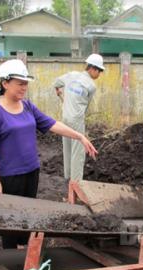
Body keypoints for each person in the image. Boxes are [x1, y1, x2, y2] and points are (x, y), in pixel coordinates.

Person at [0, 59, 97, 248]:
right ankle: (11, 261)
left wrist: (79, 136)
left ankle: (25, 254)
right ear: (5, 83)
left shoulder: (27, 106)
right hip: (10, 177)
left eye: (26, 83)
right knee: (10, 220)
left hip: (31, 172)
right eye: (20, 84)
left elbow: (52, 124)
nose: (24, 87)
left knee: (27, 215)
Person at [53, 54, 104, 187]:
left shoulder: (71, 75)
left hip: (65, 119)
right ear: (93, 68)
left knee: (67, 150)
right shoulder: (91, 86)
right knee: (78, 153)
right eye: (99, 71)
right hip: (76, 120)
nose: (99, 74)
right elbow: (85, 107)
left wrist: (58, 91)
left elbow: (56, 83)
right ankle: (76, 184)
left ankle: (67, 178)